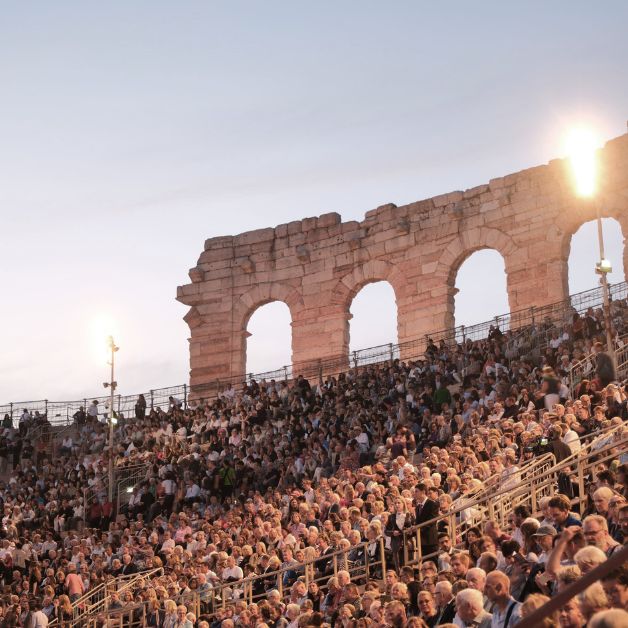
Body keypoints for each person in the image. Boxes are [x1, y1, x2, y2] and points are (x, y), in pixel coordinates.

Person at [414, 483, 440, 558]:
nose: (414, 494)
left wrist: (417, 529)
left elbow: (431, 521)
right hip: (421, 540)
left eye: (416, 491)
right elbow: (418, 522)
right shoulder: (418, 507)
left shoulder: (432, 504)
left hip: (430, 540)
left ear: (423, 492)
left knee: (433, 562)